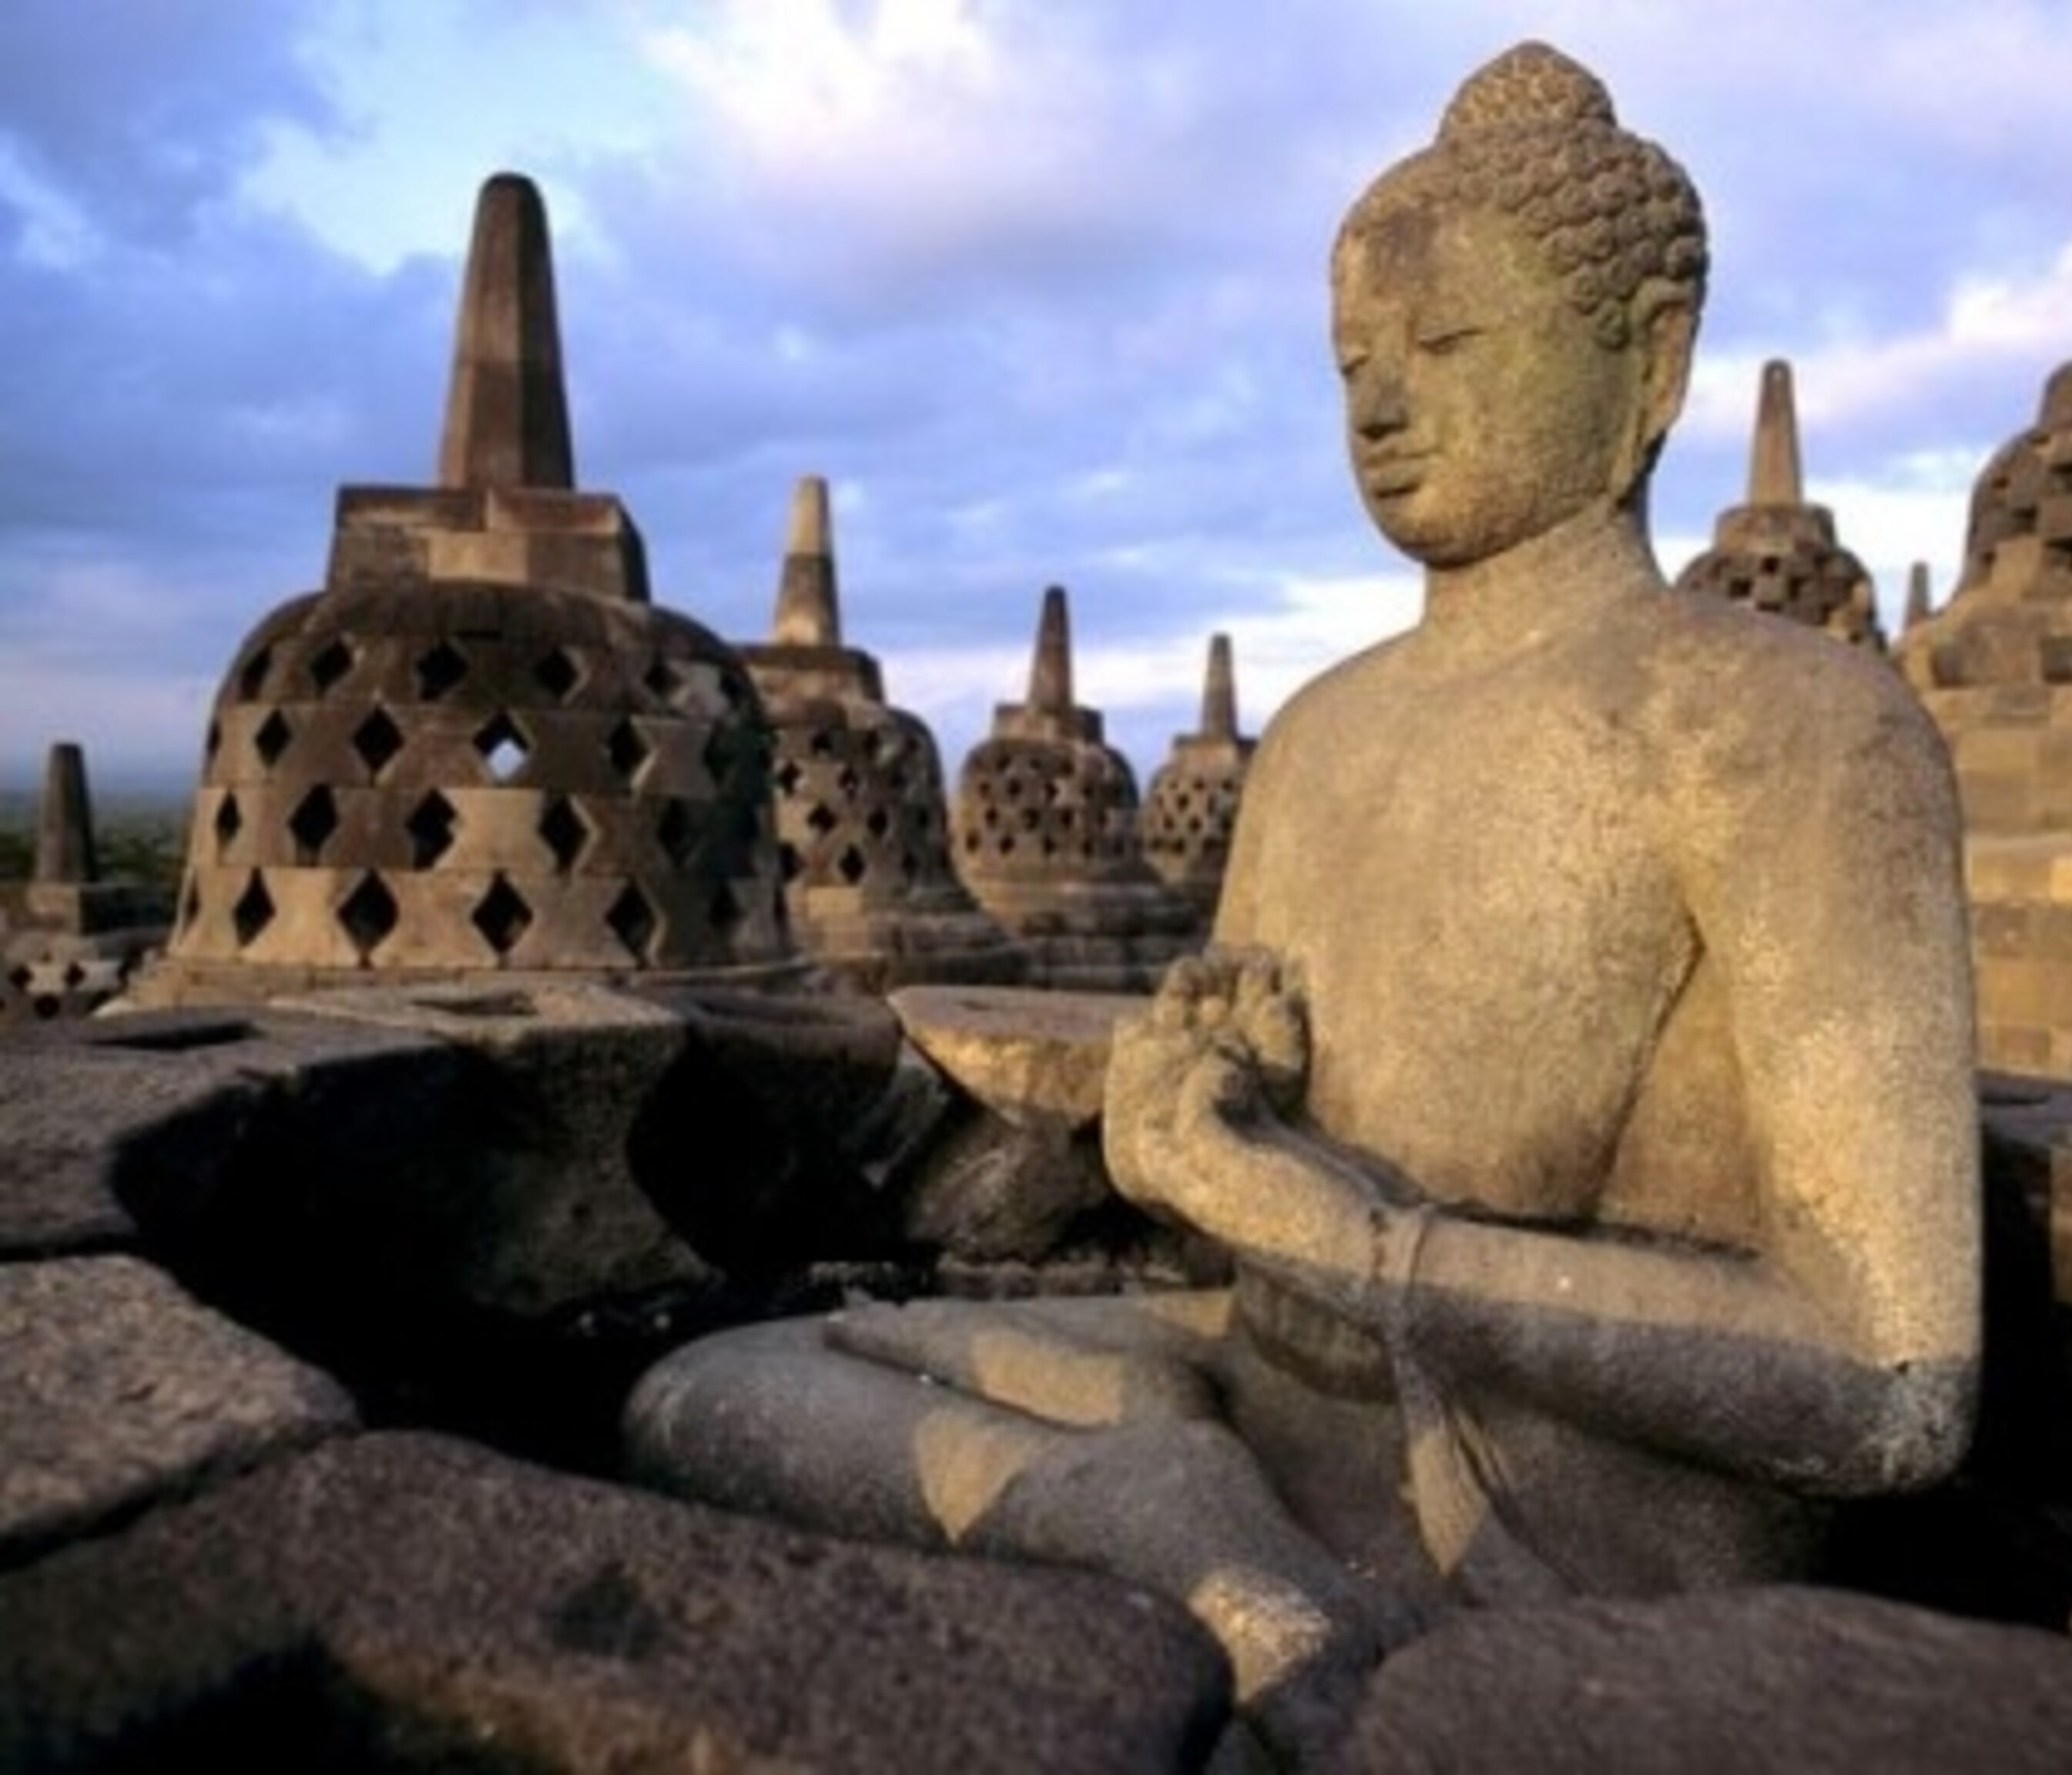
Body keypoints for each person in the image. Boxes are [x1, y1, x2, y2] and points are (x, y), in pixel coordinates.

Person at [626, 40, 1980, 1751]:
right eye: (1351, 360)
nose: (1379, 404)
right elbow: (1249, 1183)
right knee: (717, 1391)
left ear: (1651, 363)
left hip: (1556, 1538)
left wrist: (1355, 1243)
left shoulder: (1786, 730)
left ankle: (1237, 1584)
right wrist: (1200, 1104)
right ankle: (1197, 1542)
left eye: (1448, 345)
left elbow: (1893, 1382)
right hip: (1268, 1388)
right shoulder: (1325, 734)